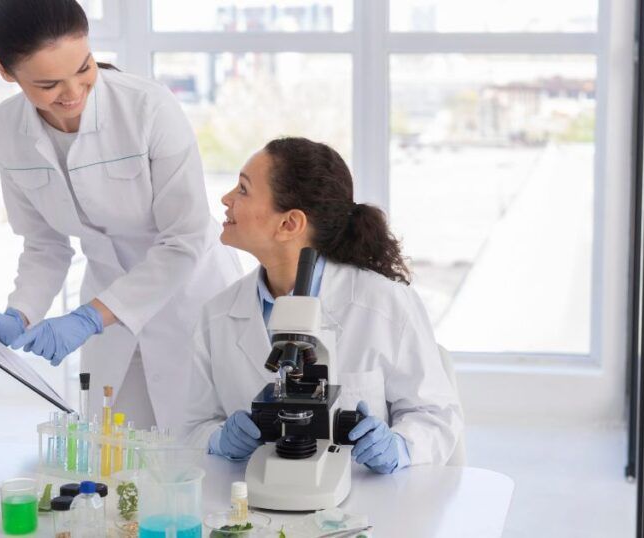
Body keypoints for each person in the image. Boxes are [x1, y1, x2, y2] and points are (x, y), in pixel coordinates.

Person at [0, 0, 242, 430]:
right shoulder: (4, 131)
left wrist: (91, 316)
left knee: (197, 455)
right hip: (107, 306)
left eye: (84, 68)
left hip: (190, 296)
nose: (73, 93)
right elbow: (44, 245)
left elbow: (183, 239)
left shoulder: (149, 109)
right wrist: (19, 313)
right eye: (48, 84)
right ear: (6, 71)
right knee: (113, 452)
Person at [182, 137, 462, 473]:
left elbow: (436, 416)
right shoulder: (218, 315)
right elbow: (192, 426)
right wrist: (218, 441)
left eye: (243, 189)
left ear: (289, 224)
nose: (226, 199)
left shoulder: (384, 305)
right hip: (251, 505)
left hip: (364, 508)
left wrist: (400, 447)